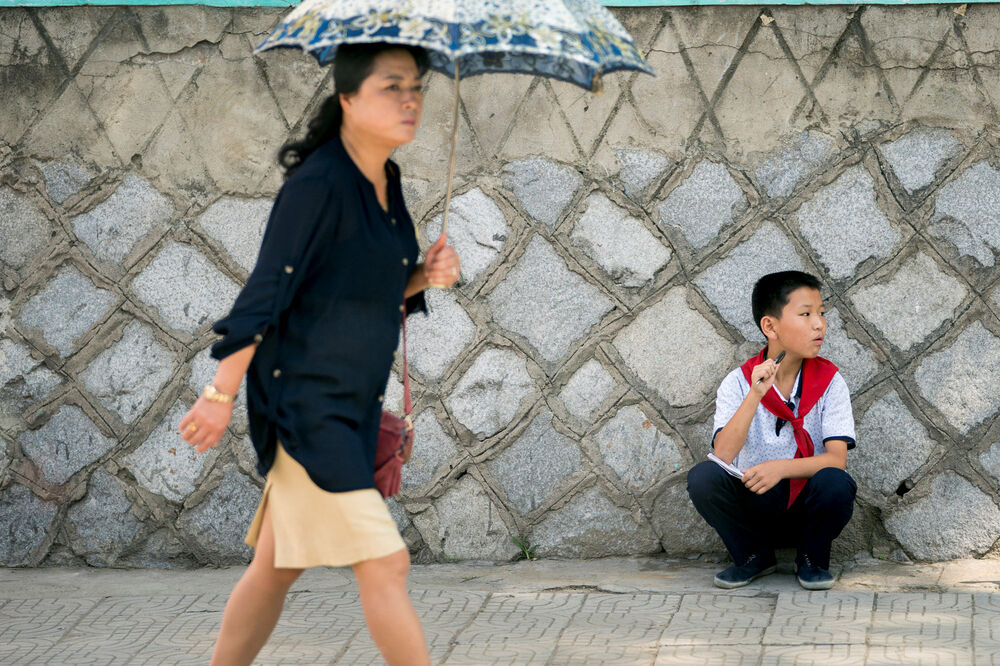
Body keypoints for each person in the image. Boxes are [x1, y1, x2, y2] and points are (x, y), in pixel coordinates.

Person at [178, 42, 460, 666]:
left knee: (276, 567)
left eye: (416, 86)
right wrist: (220, 395)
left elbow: (361, 287)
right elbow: (267, 293)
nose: (410, 99)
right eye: (392, 86)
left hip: (351, 402)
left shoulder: (384, 180)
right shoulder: (318, 184)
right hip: (307, 406)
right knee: (387, 562)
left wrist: (422, 277)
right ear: (348, 100)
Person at [686, 271, 857, 591]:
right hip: (756, 506)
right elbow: (722, 455)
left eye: (821, 313)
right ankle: (752, 556)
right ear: (770, 326)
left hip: (808, 507)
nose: (819, 324)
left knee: (836, 482)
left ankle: (812, 558)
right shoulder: (738, 382)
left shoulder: (831, 382)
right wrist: (755, 396)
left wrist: (780, 468)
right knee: (703, 477)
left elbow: (837, 460)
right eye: (805, 314)